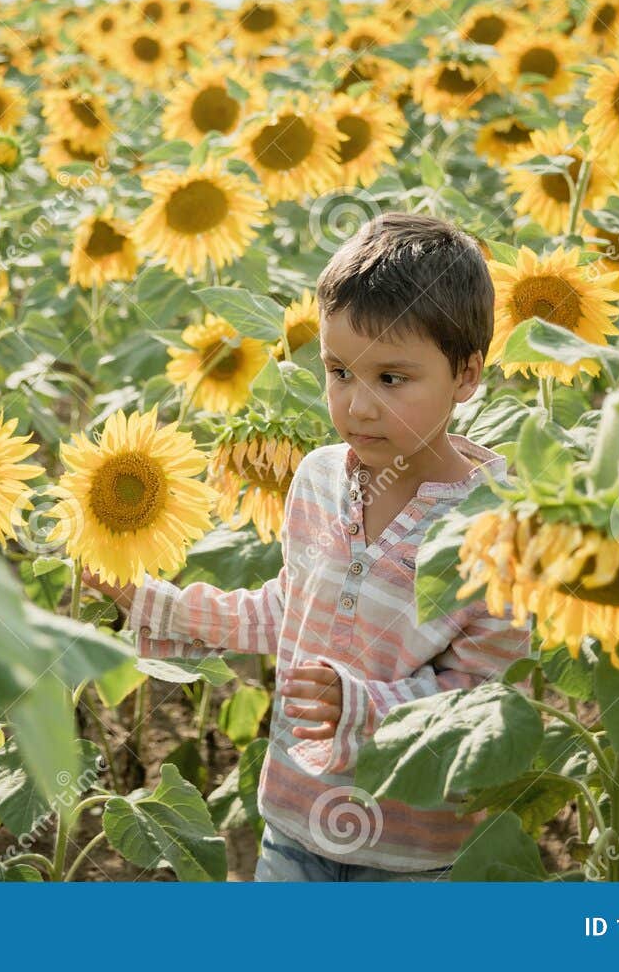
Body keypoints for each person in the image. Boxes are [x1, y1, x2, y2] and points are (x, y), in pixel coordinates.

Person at [84, 211, 530, 880]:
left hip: (410, 848)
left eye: (391, 378)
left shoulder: (496, 523)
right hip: (293, 816)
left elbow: (487, 699)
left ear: (466, 375)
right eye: (339, 371)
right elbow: (288, 609)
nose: (357, 405)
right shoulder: (320, 479)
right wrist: (157, 604)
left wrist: (364, 707)